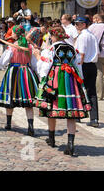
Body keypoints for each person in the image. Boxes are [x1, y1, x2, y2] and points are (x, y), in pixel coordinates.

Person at [33, 26, 92, 156]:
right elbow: (78, 66)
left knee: (50, 108)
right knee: (70, 111)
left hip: (55, 78)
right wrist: (80, 81)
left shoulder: (51, 48)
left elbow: (45, 67)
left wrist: (38, 61)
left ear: (53, 36)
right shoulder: (72, 48)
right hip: (70, 80)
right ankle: (70, 143)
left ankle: (52, 138)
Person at [0, 25, 39, 136]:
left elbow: (2, 63)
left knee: (10, 98)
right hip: (26, 72)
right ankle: (30, 126)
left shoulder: (11, 47)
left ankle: (9, 123)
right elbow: (35, 64)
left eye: (13, 33)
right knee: (28, 101)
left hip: (14, 73)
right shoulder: (29, 47)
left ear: (16, 34)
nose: (12, 34)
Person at [74, 16, 99, 127]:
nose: (76, 26)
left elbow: (81, 54)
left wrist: (78, 68)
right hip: (92, 65)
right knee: (91, 92)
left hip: (83, 65)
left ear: (84, 24)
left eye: (77, 24)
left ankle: (79, 115)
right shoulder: (92, 36)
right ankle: (94, 118)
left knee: (80, 91)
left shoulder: (83, 36)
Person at [89, 13, 104, 101]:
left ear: (97, 19)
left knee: (99, 73)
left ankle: (99, 95)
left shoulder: (92, 27)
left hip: (98, 53)